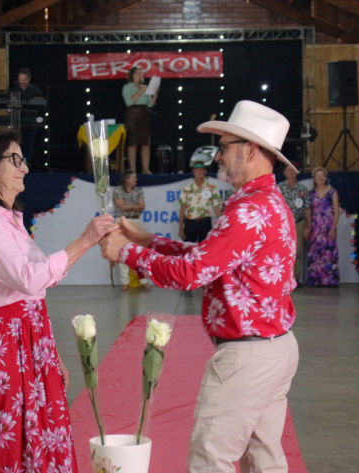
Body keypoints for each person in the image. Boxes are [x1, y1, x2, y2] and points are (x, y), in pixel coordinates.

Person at [100, 101, 300, 473]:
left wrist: (127, 253)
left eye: (224, 147)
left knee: (210, 459)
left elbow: (192, 274)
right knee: (264, 459)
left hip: (247, 356)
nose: (218, 157)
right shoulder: (268, 202)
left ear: (251, 150)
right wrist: (148, 241)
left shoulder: (248, 210)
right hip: (273, 347)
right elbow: (214, 258)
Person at [0, 130, 117, 473]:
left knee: (39, 435)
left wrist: (49, 354)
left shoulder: (8, 221)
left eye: (23, 159)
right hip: (1, 342)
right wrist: (85, 240)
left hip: (27, 338)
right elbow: (29, 278)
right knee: (10, 437)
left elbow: (40, 284)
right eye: (14, 159)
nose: (24, 167)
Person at [112, 169, 150, 291]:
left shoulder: (138, 190)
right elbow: (121, 207)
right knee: (123, 251)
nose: (136, 180)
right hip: (123, 221)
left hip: (136, 220)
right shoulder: (118, 190)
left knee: (140, 252)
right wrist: (135, 206)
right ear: (127, 180)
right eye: (134, 178)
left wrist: (128, 207)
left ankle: (143, 279)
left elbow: (142, 206)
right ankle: (125, 282)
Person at [305, 167, 340, 287]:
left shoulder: (332, 191)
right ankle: (315, 279)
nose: (320, 178)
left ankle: (330, 279)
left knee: (329, 249)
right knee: (315, 249)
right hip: (315, 225)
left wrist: (334, 227)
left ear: (326, 178)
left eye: (322, 176)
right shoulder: (311, 193)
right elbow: (308, 210)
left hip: (328, 224)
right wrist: (308, 226)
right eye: (317, 176)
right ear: (314, 178)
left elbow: (336, 210)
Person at [122, 66, 158, 174]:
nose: (140, 76)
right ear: (132, 75)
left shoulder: (144, 87)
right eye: (138, 73)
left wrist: (155, 94)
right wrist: (140, 91)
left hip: (143, 116)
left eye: (142, 74)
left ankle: (145, 169)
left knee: (145, 143)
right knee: (132, 144)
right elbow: (129, 102)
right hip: (132, 116)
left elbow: (150, 104)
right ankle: (132, 170)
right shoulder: (127, 87)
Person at [278, 165, 309, 286]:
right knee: (282, 251)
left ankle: (295, 278)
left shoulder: (302, 188)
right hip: (282, 224)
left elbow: (307, 208)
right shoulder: (279, 188)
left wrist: (308, 225)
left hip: (299, 223)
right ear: (284, 172)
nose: (291, 172)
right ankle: (283, 278)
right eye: (288, 170)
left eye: (293, 170)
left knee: (297, 251)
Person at [179, 159, 223, 243]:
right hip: (190, 223)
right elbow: (182, 210)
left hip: (205, 223)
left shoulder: (212, 188)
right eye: (196, 170)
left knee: (205, 249)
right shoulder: (187, 188)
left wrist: (222, 226)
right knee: (188, 249)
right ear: (193, 171)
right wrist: (181, 229)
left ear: (205, 171)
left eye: (201, 170)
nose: (199, 172)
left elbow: (217, 208)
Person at [10, 68, 43, 171]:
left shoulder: (35, 91)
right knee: (16, 145)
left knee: (28, 146)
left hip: (30, 122)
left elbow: (40, 106)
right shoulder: (14, 91)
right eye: (20, 80)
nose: (22, 82)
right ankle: (15, 166)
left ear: (29, 79)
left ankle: (25, 167)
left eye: (24, 80)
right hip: (17, 122)